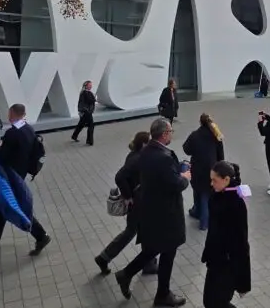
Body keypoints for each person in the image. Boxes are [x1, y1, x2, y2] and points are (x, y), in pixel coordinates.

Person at [114, 118, 190, 307]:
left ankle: (126, 274)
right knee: (168, 250)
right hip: (167, 213)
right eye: (171, 132)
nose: (172, 135)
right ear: (164, 134)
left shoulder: (146, 151)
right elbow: (175, 184)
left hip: (151, 210)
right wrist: (185, 177)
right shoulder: (163, 157)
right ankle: (162, 294)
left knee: (155, 248)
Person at [0, 104, 52, 255]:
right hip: (21, 173)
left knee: (15, 205)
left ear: (12, 114)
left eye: (9, 113)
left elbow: (4, 157)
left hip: (11, 176)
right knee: (3, 204)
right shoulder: (28, 128)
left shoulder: (12, 133)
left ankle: (41, 235)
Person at [95, 131, 158, 277]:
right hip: (137, 203)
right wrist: (128, 196)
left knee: (139, 230)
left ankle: (105, 258)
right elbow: (120, 177)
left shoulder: (135, 155)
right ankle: (105, 258)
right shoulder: (137, 158)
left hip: (138, 202)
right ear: (144, 144)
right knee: (139, 231)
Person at [202, 161, 252, 308]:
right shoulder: (216, 196)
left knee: (217, 303)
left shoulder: (236, 204)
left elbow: (242, 242)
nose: (211, 184)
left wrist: (243, 282)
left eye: (214, 180)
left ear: (226, 179)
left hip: (228, 265)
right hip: (215, 260)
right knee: (209, 302)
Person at [182, 113, 225, 231]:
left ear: (200, 122)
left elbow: (186, 149)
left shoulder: (195, 135)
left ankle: (203, 220)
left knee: (198, 191)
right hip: (211, 170)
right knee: (206, 193)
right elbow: (221, 155)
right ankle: (198, 213)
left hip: (197, 169)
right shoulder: (216, 134)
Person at [72, 80, 97, 145]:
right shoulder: (83, 93)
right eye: (89, 85)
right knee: (91, 125)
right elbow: (82, 103)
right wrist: (83, 111)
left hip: (88, 111)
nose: (91, 86)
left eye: (91, 85)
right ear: (86, 86)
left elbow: (92, 101)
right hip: (86, 112)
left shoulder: (90, 93)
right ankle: (89, 141)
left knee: (81, 124)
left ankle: (74, 136)